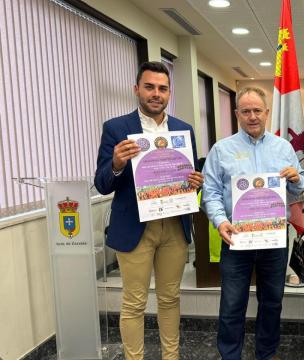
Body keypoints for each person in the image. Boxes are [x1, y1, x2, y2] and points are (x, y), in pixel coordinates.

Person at [94, 61, 204, 360]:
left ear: (169, 93)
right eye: (150, 87)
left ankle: (171, 357)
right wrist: (116, 163)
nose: (156, 94)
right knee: (134, 302)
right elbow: (102, 184)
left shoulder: (183, 130)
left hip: (173, 226)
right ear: (137, 90)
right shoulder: (116, 128)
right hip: (135, 228)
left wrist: (195, 182)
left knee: (170, 298)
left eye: (162, 88)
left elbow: (189, 178)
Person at [201, 87, 304, 360]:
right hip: (236, 238)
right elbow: (210, 193)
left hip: (273, 240)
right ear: (237, 114)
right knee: (232, 304)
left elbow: (298, 191)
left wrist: (297, 179)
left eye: (257, 110)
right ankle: (230, 355)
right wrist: (220, 221)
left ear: (267, 113)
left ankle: (266, 353)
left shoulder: (284, 148)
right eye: (245, 111)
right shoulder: (221, 150)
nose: (252, 116)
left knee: (272, 302)